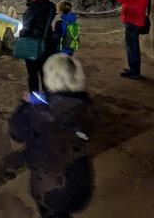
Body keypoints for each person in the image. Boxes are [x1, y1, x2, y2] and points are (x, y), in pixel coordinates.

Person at [9, 53, 94, 218]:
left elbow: (16, 133)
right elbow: (60, 103)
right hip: (82, 185)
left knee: (50, 208)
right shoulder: (86, 106)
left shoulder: (37, 113)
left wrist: (24, 105)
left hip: (51, 188)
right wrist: (38, 99)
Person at [108, 0, 154, 79]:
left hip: (133, 19)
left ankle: (134, 71)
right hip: (133, 18)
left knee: (132, 46)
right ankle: (133, 68)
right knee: (132, 45)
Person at [20, 0, 56, 93]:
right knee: (44, 72)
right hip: (46, 43)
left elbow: (27, 24)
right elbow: (43, 17)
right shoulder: (52, 6)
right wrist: (32, 3)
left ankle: (35, 101)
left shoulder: (34, 6)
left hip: (33, 43)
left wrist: (22, 37)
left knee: (33, 74)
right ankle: (48, 98)